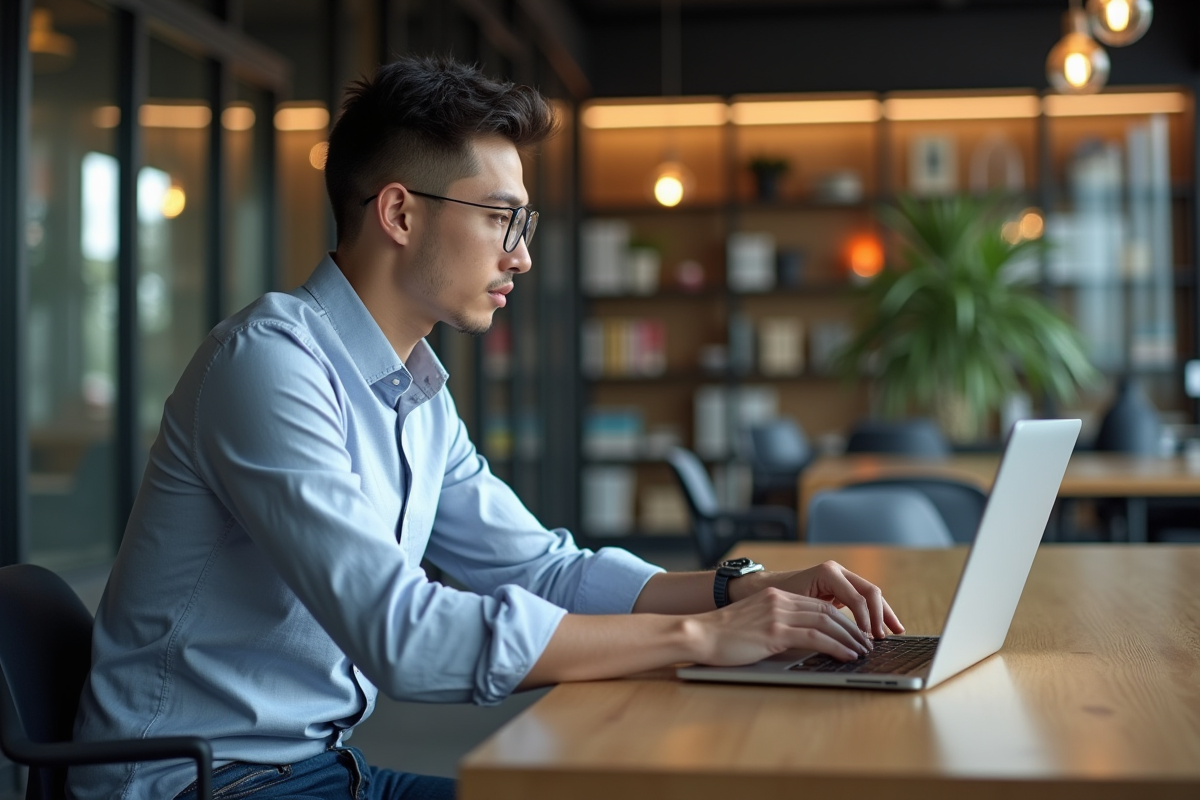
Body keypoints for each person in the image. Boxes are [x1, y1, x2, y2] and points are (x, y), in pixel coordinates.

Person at [68, 56, 903, 800]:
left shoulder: (418, 394)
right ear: (400, 214)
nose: (521, 256)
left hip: (316, 769)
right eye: (502, 218)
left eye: (523, 225)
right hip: (197, 781)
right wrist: (705, 637)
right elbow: (404, 637)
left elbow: (543, 569)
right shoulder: (268, 365)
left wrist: (739, 591)